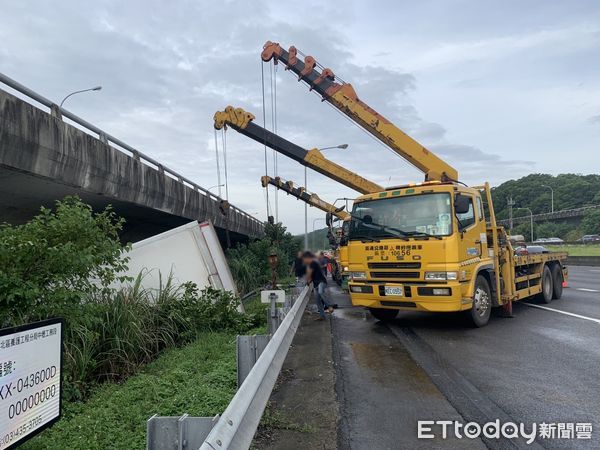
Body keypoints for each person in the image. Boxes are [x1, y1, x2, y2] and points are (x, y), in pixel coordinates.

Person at [303, 251, 333, 320]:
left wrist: (308, 280)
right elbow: (310, 278)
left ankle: (329, 306)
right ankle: (322, 316)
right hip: (316, 284)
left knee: (320, 292)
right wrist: (308, 282)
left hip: (322, 281)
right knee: (317, 301)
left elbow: (310, 274)